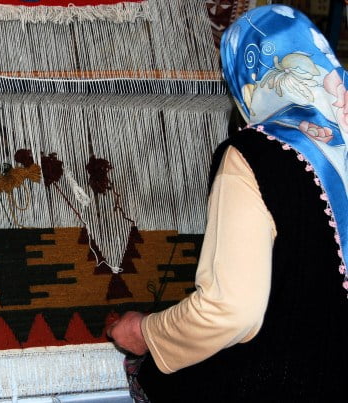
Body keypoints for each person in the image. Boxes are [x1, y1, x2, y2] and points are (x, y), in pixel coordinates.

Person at [107, 5, 348, 402]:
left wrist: (145, 332)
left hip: (292, 382)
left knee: (155, 375)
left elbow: (232, 310)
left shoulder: (256, 153)